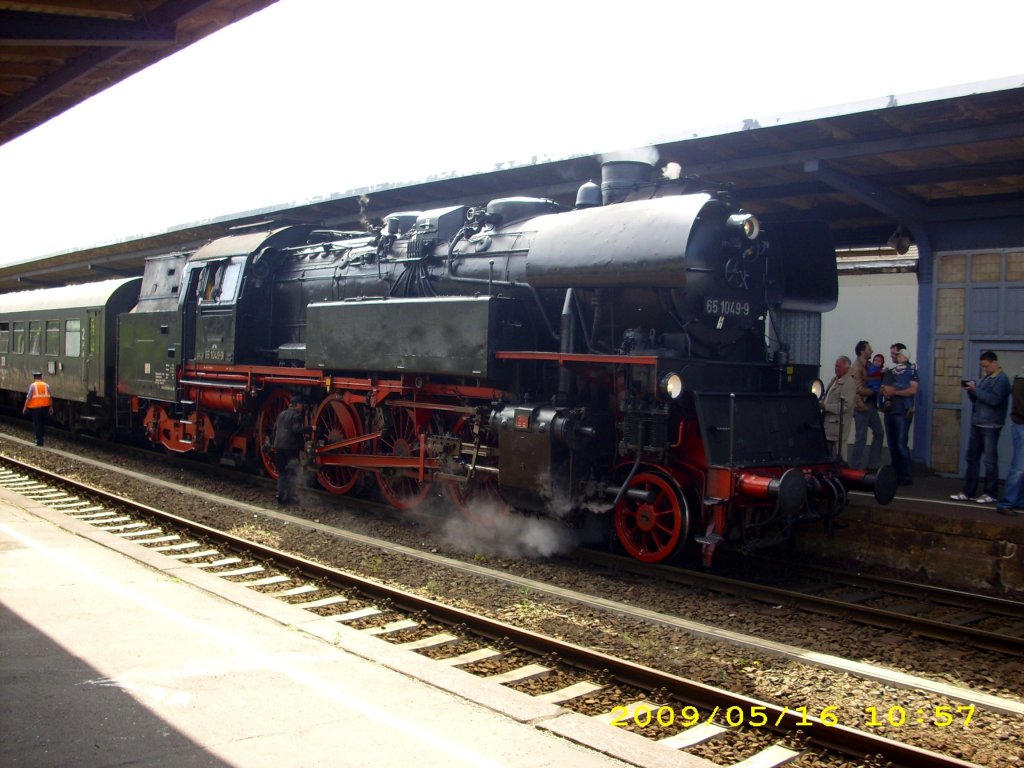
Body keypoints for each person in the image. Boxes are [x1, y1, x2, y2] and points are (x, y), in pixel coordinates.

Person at [950, 351, 1011, 504]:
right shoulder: (987, 378)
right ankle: (968, 492)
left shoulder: (1002, 380)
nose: (984, 369)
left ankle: (991, 493)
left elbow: (994, 400)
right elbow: (978, 400)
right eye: (982, 367)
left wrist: (976, 390)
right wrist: (971, 391)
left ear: (994, 363)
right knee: (972, 458)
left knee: (989, 460)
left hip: (991, 424)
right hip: (977, 423)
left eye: (986, 366)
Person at [880, 343, 918, 486]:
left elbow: (912, 390)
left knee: (901, 445)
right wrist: (891, 391)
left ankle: (906, 476)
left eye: (895, 353)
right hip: (889, 411)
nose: (892, 356)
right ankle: (895, 475)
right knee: (892, 446)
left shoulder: (911, 370)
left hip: (902, 412)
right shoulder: (891, 371)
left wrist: (894, 391)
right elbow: (884, 388)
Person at [849, 341, 884, 470]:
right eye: (869, 349)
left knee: (879, 433)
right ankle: (855, 467)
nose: (872, 351)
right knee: (861, 437)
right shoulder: (856, 368)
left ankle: (872, 465)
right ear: (862, 351)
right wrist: (876, 390)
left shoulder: (868, 365)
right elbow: (859, 389)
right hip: (861, 406)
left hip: (869, 404)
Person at [996, 364, 1024, 516]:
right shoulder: (1020, 382)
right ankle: (1006, 503)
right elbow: (1021, 406)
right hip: (1021, 426)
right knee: (1019, 467)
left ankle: (1018, 500)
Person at [272, 396, 309, 505]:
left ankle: (280, 494)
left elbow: (274, 430)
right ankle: (291, 496)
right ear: (297, 404)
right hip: (290, 449)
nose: (302, 407)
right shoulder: (296, 415)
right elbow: (297, 430)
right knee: (292, 472)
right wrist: (311, 429)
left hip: (279, 448)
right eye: (301, 404)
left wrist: (274, 444)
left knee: (282, 472)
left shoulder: (281, 414)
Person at [821, 355, 858, 460]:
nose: (836, 369)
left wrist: (826, 407)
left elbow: (846, 406)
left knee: (839, 452)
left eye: (839, 367)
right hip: (828, 424)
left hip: (838, 425)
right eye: (836, 366)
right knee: (828, 453)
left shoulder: (849, 383)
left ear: (847, 368)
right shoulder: (834, 380)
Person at [22, 371, 54, 447]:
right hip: (45, 407)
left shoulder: (33, 386)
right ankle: (41, 438)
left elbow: (29, 398)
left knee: (37, 424)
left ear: (34, 377)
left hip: (36, 408)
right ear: (41, 377)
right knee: (42, 424)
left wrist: (25, 408)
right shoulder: (46, 385)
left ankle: (39, 441)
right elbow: (50, 397)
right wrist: (51, 407)